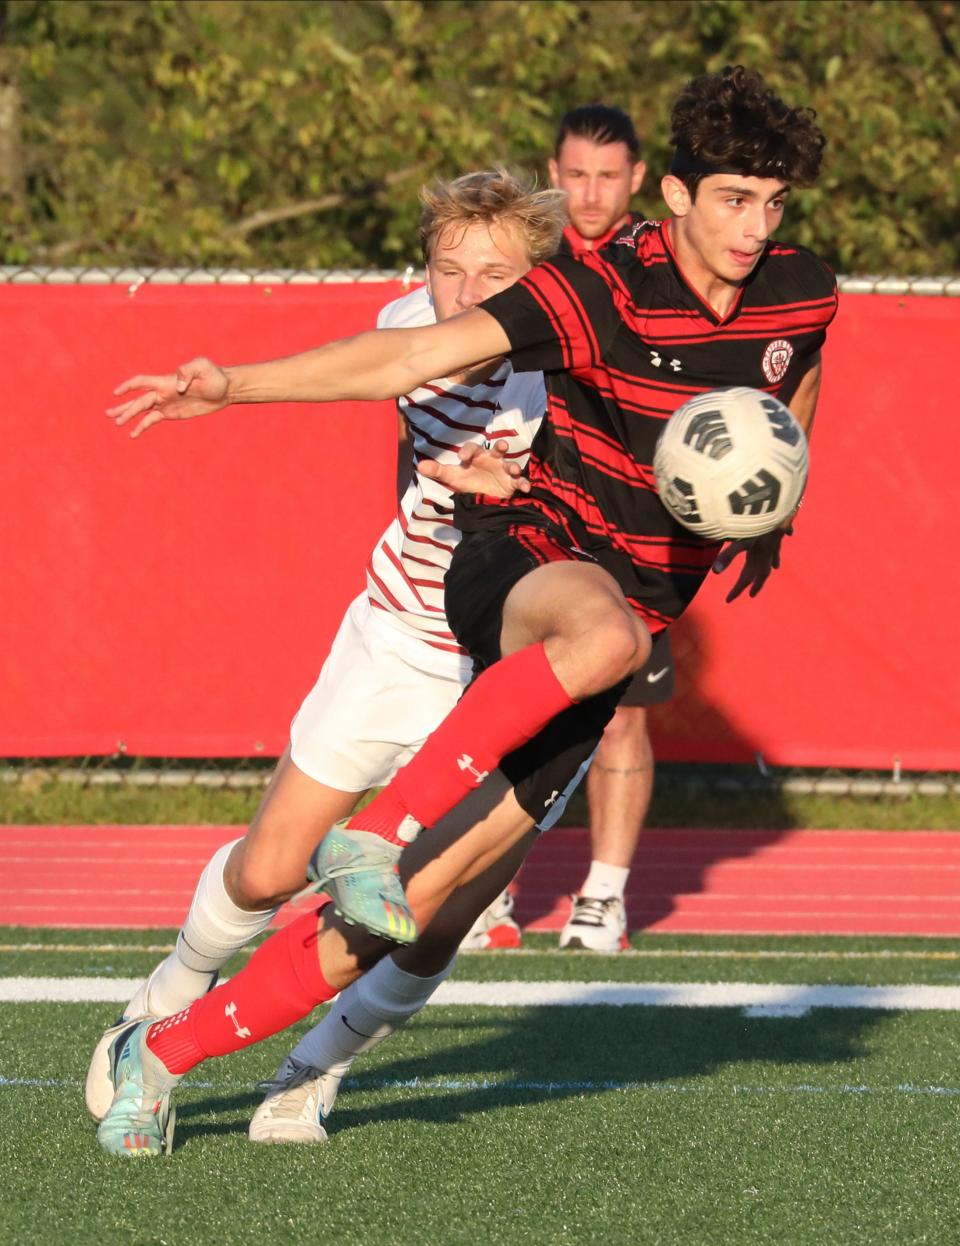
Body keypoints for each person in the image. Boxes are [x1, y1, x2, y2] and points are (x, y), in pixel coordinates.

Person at [96, 66, 838, 1158]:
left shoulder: (800, 288)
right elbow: (405, 353)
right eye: (733, 198)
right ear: (673, 193)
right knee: (605, 640)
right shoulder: (593, 289)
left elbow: (794, 381)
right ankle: (375, 831)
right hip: (523, 563)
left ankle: (171, 1057)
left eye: (774, 205)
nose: (754, 227)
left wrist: (772, 506)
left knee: (416, 910)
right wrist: (233, 386)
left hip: (612, 626)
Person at [86, 168, 576, 1144]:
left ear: (540, 281)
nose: (469, 293)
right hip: (397, 637)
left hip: (515, 670)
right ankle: (168, 993)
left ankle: (315, 1067)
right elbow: (365, 362)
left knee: (433, 910)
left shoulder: (578, 361)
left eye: (496, 273)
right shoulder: (414, 328)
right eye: (450, 270)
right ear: (424, 274)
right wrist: (229, 386)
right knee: (267, 871)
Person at [548, 102, 672, 953]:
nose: (590, 193)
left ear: (636, 178)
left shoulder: (669, 270)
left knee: (621, 714)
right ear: (553, 175)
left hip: (635, 532)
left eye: (607, 175)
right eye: (575, 174)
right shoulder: (524, 266)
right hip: (530, 522)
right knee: (497, 707)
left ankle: (603, 896)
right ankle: (487, 893)